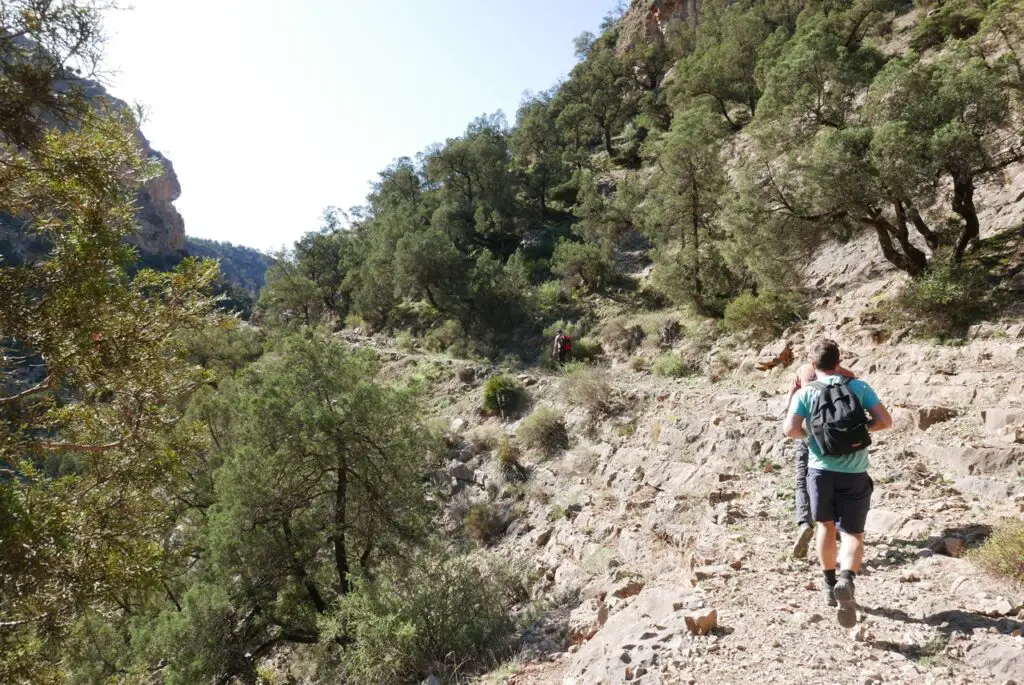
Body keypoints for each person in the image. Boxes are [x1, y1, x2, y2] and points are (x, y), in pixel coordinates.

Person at [783, 340, 892, 628]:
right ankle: (847, 579)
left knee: (825, 526)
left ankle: (829, 584)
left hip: (820, 472)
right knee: (853, 532)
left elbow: (790, 430)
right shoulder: (859, 387)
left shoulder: (806, 392)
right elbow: (885, 421)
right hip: (855, 473)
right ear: (838, 361)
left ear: (812, 363)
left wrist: (817, 436)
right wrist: (860, 430)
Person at [787, 362, 856, 560]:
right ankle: (836, 528)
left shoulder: (802, 371)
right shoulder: (844, 373)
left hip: (809, 436)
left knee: (802, 482)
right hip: (837, 438)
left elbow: (791, 405)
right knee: (835, 480)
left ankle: (804, 523)